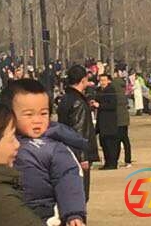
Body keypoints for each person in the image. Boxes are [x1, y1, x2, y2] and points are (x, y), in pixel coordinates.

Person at [0, 79, 86, 226]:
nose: (37, 120)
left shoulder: (54, 148)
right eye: (29, 114)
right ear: (9, 115)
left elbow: (68, 180)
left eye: (43, 113)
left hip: (43, 213)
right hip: (6, 209)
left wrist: (73, 214)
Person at [57, 65, 99, 201]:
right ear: (83, 80)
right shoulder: (78, 102)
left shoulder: (65, 99)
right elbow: (79, 130)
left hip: (66, 150)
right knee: (80, 193)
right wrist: (83, 156)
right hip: (77, 154)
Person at [95, 73, 119, 170]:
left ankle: (112, 163)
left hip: (109, 122)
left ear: (108, 81)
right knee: (104, 143)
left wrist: (100, 105)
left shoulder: (111, 90)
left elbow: (112, 105)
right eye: (101, 80)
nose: (102, 82)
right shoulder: (98, 90)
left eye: (104, 80)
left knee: (110, 144)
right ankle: (107, 163)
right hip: (101, 121)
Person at [113, 70, 132, 167]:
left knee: (118, 140)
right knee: (125, 139)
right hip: (124, 118)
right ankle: (127, 160)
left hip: (118, 118)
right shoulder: (123, 89)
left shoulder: (114, 89)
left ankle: (116, 160)